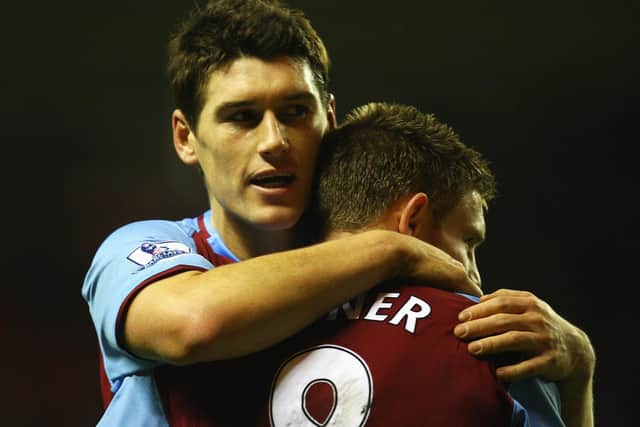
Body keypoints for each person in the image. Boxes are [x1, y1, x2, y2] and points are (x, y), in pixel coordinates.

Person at [81, 1, 594, 426]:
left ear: (328, 119)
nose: (274, 141)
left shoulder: (402, 299)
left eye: (295, 112)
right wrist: (389, 247)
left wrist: (578, 373)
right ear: (185, 137)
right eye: (241, 117)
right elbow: (190, 325)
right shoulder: (143, 249)